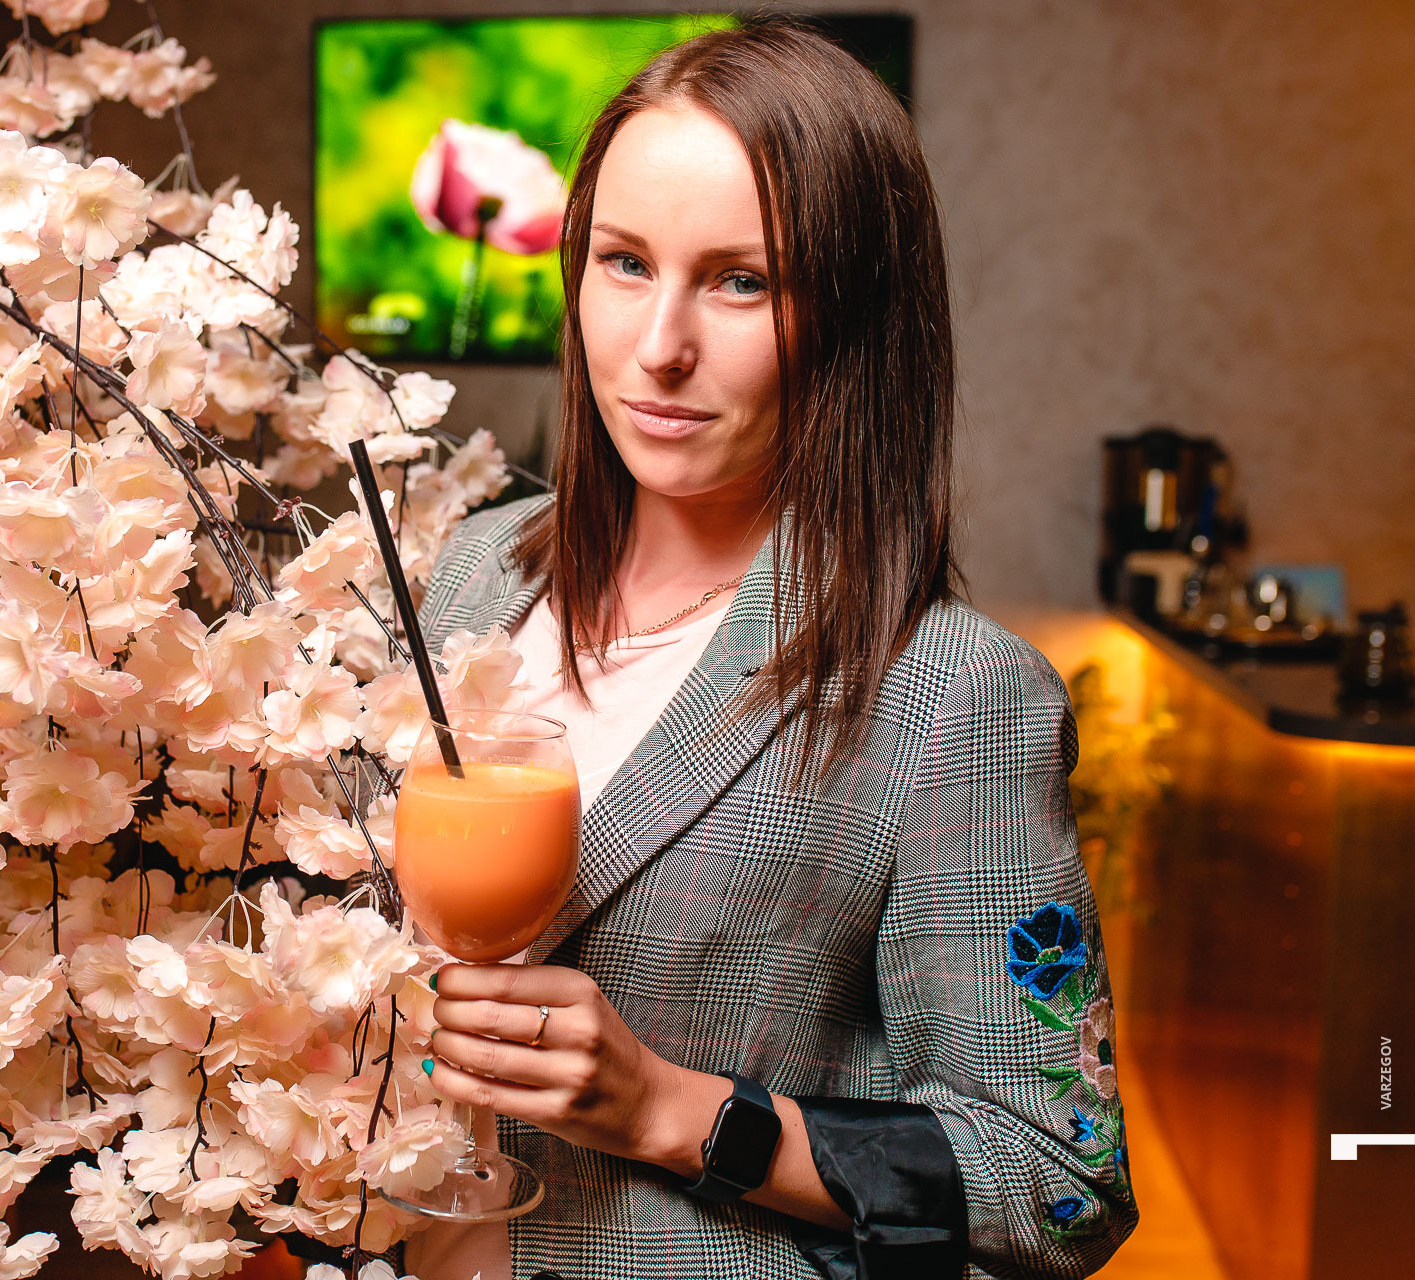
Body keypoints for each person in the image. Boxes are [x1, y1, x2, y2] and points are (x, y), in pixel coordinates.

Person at [407, 20, 1137, 1280]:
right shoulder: (473, 570)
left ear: (855, 317)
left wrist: (674, 1110)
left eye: (742, 281)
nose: (660, 343)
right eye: (625, 262)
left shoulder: (953, 695)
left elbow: (1063, 1183)